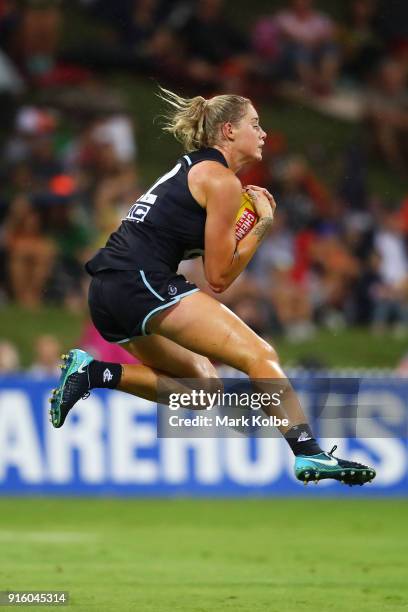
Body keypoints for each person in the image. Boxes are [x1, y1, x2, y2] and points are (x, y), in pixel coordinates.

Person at [49, 88, 375, 486]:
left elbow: (213, 258)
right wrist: (262, 226)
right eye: (254, 124)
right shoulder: (221, 181)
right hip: (140, 281)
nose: (264, 133)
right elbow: (220, 278)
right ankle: (309, 453)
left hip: (109, 290)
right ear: (228, 130)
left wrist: (247, 227)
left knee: (202, 389)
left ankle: (94, 373)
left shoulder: (199, 172)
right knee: (259, 354)